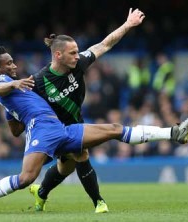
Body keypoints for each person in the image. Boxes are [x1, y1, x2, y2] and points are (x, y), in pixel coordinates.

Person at [0, 46, 188, 215]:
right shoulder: (1, 82)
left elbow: (15, 129)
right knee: (26, 177)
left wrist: (15, 111)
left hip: (59, 127)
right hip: (43, 130)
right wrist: (14, 85)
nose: (14, 66)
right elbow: (0, 90)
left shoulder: (16, 94)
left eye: (13, 62)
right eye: (8, 64)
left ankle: (173, 133)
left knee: (112, 130)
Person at [31, 8, 145, 213]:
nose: (77, 55)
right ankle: (99, 202)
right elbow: (21, 104)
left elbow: (104, 44)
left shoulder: (78, 64)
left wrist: (128, 24)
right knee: (81, 154)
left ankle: (41, 194)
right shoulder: (38, 81)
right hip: (56, 129)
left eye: (77, 51)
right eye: (72, 52)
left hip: (74, 122)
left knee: (66, 168)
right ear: (58, 54)